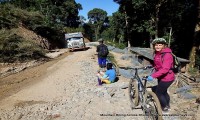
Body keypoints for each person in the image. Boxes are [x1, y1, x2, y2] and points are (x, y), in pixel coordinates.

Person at [147, 38, 175, 112]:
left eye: (160, 45)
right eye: (156, 45)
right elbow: (158, 64)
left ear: (164, 46)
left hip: (167, 78)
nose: (158, 46)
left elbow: (165, 69)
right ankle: (167, 105)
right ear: (154, 46)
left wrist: (153, 76)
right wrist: (152, 65)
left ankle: (164, 107)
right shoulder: (157, 53)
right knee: (164, 92)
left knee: (158, 93)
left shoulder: (167, 55)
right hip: (161, 77)